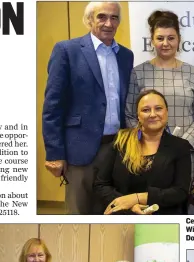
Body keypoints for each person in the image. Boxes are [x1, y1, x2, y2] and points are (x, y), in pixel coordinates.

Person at [43, 2, 134, 214]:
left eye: (114, 18)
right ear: (89, 20)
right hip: (79, 148)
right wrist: (54, 153)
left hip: (116, 147)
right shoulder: (67, 50)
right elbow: (52, 106)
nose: (108, 23)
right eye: (101, 17)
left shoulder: (125, 56)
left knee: (111, 210)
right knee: (78, 211)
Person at [126, 10, 194, 175]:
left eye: (171, 38)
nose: (165, 43)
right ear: (152, 40)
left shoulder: (192, 72)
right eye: (160, 38)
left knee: (185, 198)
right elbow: (130, 115)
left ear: (179, 40)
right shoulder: (138, 73)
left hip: (186, 153)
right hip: (148, 154)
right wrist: (148, 143)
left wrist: (185, 143)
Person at [94, 89, 192, 215]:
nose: (152, 114)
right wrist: (129, 205)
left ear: (166, 112)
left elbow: (180, 192)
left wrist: (137, 198)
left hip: (163, 219)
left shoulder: (181, 146)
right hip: (123, 216)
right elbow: (101, 185)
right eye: (146, 110)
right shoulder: (121, 141)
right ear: (138, 116)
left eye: (158, 108)